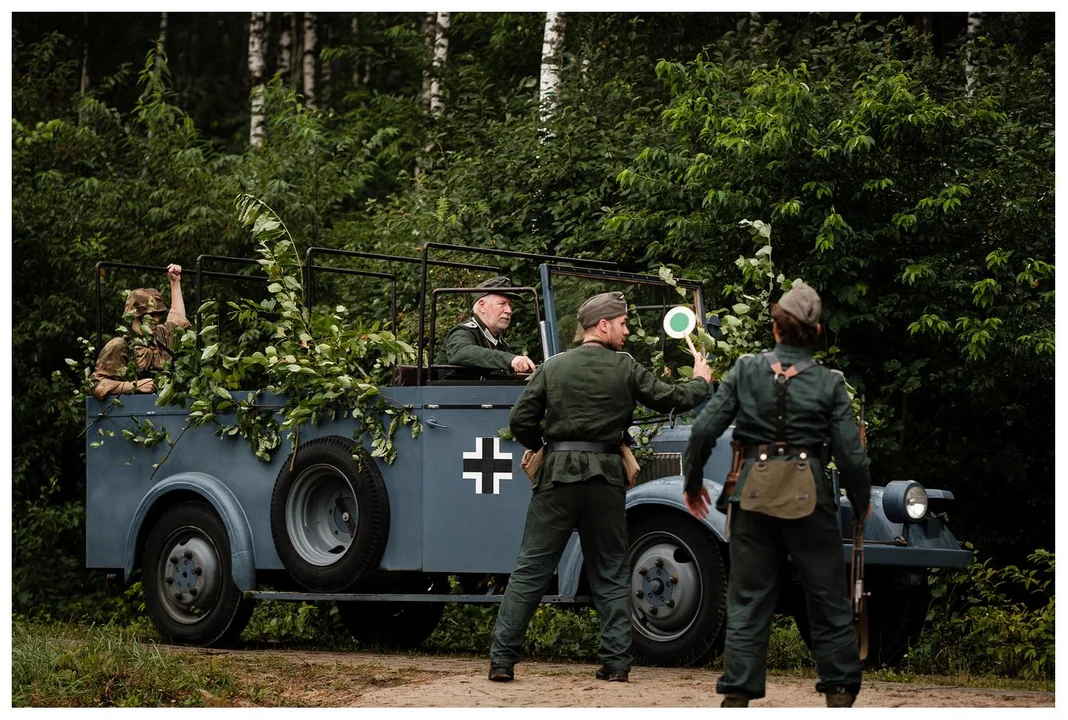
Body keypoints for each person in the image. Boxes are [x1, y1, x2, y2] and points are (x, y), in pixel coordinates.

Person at [488, 290, 714, 683]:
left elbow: (520, 419)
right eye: (623, 324)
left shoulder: (554, 366)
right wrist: (700, 381)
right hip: (605, 476)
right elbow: (669, 398)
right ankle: (616, 665)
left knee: (531, 570)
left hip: (556, 475)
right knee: (610, 569)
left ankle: (502, 663)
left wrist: (543, 446)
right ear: (603, 325)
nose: (627, 331)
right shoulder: (624, 367)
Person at [680, 281, 871, 708]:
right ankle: (839, 689)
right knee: (825, 593)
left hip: (751, 495)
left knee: (748, 595)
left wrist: (693, 485)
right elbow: (852, 456)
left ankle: (738, 692)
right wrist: (861, 503)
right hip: (811, 498)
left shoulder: (746, 370)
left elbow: (703, 431)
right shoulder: (830, 383)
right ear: (816, 332)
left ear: (776, 328)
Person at [91, 263, 188, 400]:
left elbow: (177, 317)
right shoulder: (120, 345)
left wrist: (175, 282)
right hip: (130, 415)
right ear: (135, 317)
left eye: (158, 314)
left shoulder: (160, 337)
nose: (156, 319)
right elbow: (96, 386)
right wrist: (133, 386)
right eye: (150, 315)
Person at [436, 276, 537, 375]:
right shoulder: (464, 332)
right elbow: (461, 352)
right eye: (502, 304)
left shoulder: (500, 343)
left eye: (510, 305)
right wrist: (510, 359)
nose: (509, 311)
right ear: (482, 306)